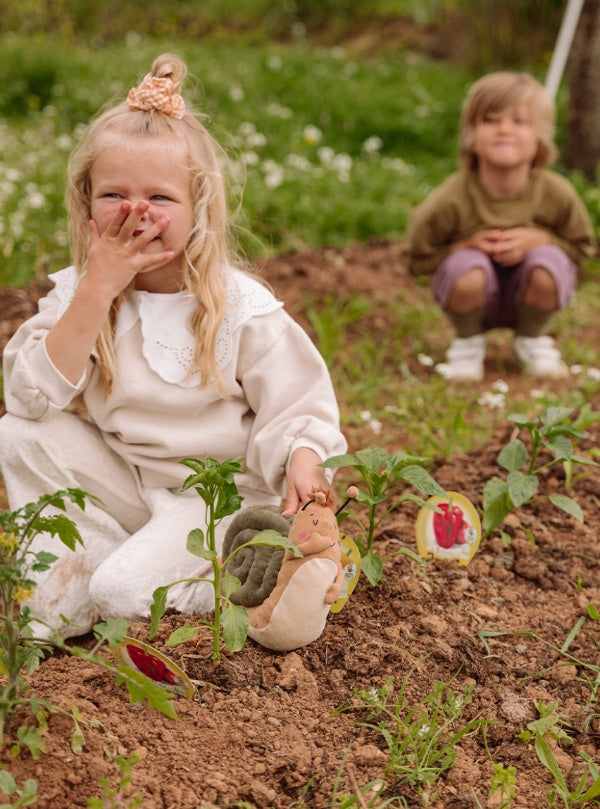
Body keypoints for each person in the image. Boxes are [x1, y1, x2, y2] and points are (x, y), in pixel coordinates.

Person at [0, 54, 347, 640]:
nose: (136, 213)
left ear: (198, 210)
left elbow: (298, 404)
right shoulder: (77, 294)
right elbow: (31, 399)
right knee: (17, 432)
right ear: (86, 208)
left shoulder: (237, 306)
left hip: (216, 503)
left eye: (159, 198)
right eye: (113, 195)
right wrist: (98, 287)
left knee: (123, 593)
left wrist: (304, 461)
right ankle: (81, 572)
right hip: (131, 484)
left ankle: (257, 579)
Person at [405, 71, 596, 382]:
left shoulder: (556, 192)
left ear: (540, 138)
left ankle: (531, 340)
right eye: (491, 120)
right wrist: (461, 247)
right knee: (468, 267)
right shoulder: (451, 197)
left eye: (520, 121)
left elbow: (582, 247)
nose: (504, 130)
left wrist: (543, 239)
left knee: (547, 262)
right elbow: (416, 257)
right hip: (472, 296)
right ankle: (467, 343)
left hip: (532, 294)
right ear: (471, 135)